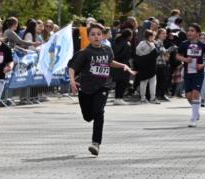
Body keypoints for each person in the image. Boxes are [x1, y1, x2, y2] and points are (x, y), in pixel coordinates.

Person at [68, 22, 136, 156]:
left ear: (103, 36)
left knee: (99, 112)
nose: (96, 37)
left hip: (103, 86)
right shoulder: (85, 53)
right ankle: (92, 115)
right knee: (88, 117)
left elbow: (109, 62)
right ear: (88, 37)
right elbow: (72, 68)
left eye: (99, 34)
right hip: (86, 88)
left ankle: (96, 144)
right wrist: (72, 81)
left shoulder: (107, 49)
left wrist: (123, 66)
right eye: (93, 34)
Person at [177, 24, 205, 127]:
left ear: (197, 33)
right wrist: (185, 60)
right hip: (187, 73)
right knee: (189, 96)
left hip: (198, 74)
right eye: (188, 30)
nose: (189, 32)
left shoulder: (202, 45)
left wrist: (203, 65)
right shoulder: (184, 44)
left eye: (192, 31)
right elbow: (178, 56)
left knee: (195, 94)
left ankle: (193, 119)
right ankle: (196, 111)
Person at [134, 29, 160, 103]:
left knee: (143, 81)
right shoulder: (151, 44)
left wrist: (143, 56)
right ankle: (152, 98)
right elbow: (156, 53)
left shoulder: (141, 43)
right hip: (151, 66)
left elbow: (137, 51)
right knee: (152, 82)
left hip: (143, 65)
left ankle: (143, 98)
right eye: (153, 36)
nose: (154, 38)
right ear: (150, 36)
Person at [111, 28, 134, 104]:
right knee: (123, 82)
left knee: (118, 82)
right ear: (129, 36)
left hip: (115, 64)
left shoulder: (116, 41)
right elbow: (126, 55)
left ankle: (117, 98)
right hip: (123, 65)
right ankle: (120, 98)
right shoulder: (127, 43)